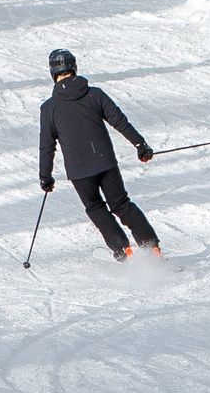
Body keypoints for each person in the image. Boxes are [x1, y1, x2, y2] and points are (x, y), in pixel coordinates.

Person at [37, 48, 161, 261]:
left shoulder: (49, 108)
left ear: (53, 73)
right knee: (121, 204)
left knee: (95, 207)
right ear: (74, 68)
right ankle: (152, 248)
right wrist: (140, 145)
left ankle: (124, 251)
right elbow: (120, 121)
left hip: (79, 172)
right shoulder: (95, 95)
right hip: (105, 163)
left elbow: (47, 146)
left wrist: (45, 176)